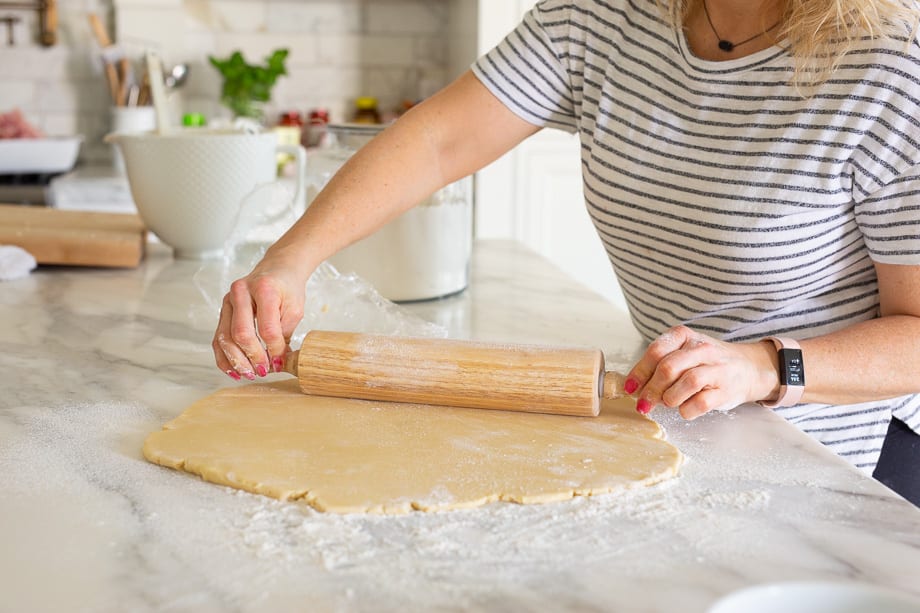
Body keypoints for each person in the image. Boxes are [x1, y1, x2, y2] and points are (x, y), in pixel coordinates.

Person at [213, 0, 920, 505]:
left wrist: (762, 365)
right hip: (687, 433)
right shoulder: (600, 18)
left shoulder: (889, 70)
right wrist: (288, 259)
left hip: (847, 465)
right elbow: (437, 141)